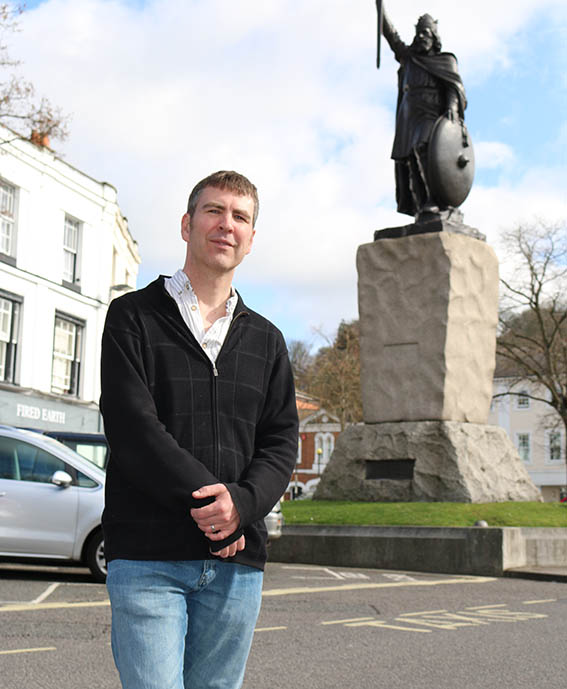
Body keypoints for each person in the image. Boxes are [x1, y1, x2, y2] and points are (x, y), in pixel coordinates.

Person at [100, 170, 299, 689]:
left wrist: (243, 504)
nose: (225, 225)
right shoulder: (132, 318)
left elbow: (280, 443)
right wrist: (215, 506)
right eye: (213, 211)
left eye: (240, 217)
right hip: (149, 560)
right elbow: (132, 428)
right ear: (187, 224)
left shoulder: (269, 341)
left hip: (237, 567)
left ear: (251, 238)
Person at [381, 9, 467, 218]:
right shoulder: (409, 58)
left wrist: (452, 107)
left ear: (434, 37)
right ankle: (422, 206)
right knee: (409, 159)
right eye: (419, 33)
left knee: (424, 148)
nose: (421, 37)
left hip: (432, 113)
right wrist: (380, 9)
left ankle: (436, 199)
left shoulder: (446, 61)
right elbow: (390, 34)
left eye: (426, 33)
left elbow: (453, 87)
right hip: (409, 116)